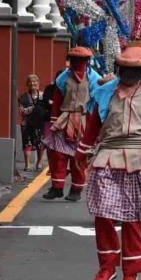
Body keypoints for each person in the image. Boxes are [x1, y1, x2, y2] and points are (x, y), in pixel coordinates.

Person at [75, 44, 141, 280]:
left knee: (131, 218)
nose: (130, 74)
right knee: (103, 214)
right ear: (120, 68)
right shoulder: (104, 93)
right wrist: (81, 151)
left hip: (138, 158)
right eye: (126, 69)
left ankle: (131, 273)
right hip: (107, 156)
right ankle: (107, 267)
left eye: (136, 70)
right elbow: (93, 126)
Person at [42, 47, 100, 201]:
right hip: (64, 119)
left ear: (87, 61)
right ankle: (57, 187)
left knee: (79, 157)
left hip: (83, 120)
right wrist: (54, 119)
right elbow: (57, 100)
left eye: (80, 60)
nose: (76, 62)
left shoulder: (94, 79)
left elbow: (98, 102)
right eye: (73, 59)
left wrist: (95, 125)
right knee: (57, 155)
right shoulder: (62, 78)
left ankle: (76, 189)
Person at [18, 74, 46, 171]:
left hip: (40, 124)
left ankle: (39, 162)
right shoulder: (23, 97)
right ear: (27, 84)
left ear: (38, 83)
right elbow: (22, 111)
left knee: (40, 144)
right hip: (27, 123)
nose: (33, 83)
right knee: (27, 144)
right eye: (30, 81)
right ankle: (27, 164)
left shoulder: (43, 96)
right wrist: (34, 108)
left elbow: (46, 109)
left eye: (35, 81)